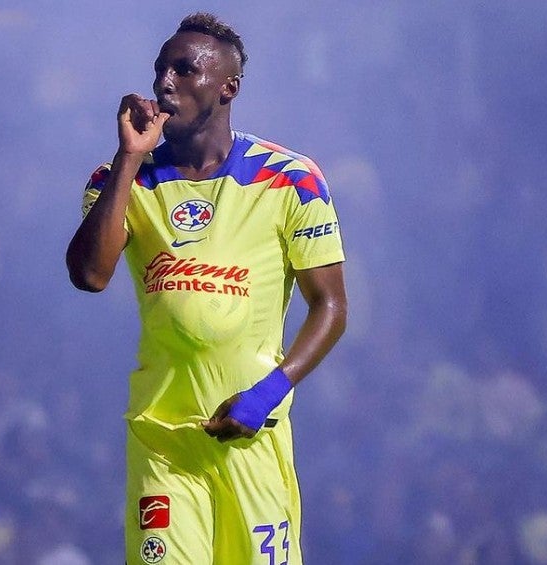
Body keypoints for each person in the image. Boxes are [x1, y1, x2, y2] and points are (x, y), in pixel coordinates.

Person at [66, 13, 348, 564]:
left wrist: (268, 394)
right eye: (159, 71)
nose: (164, 84)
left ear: (228, 87)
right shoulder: (119, 179)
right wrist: (129, 157)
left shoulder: (289, 178)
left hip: (251, 437)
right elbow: (90, 276)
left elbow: (331, 307)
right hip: (162, 440)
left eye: (183, 70)